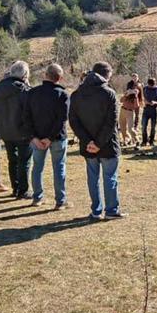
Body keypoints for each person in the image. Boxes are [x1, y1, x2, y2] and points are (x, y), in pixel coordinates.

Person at [69, 62, 124, 220]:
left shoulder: (77, 94)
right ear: (106, 75)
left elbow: (74, 121)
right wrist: (98, 143)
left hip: (88, 144)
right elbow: (111, 121)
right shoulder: (109, 93)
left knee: (93, 178)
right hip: (107, 143)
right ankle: (111, 210)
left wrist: (88, 141)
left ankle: (96, 210)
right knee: (110, 177)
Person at [22, 64, 70, 210]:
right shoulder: (62, 94)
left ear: (45, 75)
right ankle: (60, 201)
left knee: (37, 167)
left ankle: (37, 197)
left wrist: (33, 137)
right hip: (57, 137)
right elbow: (62, 119)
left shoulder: (32, 93)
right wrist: (50, 137)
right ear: (60, 78)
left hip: (37, 137)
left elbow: (25, 117)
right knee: (59, 167)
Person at [0, 60, 32, 199]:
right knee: (24, 161)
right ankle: (23, 190)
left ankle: (15, 188)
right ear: (25, 74)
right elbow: (29, 111)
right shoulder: (23, 90)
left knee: (12, 159)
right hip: (22, 130)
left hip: (4, 130)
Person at [141, 77, 157, 146]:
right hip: (146, 110)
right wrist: (144, 102)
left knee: (153, 127)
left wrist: (154, 102)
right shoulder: (145, 89)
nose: (150, 86)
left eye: (152, 85)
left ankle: (151, 141)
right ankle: (144, 141)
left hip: (154, 110)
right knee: (144, 126)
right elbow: (141, 98)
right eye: (149, 85)